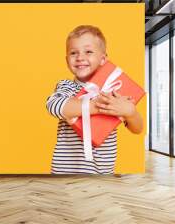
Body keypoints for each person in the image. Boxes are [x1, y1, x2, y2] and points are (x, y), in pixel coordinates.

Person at [46, 25, 143, 174]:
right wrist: (98, 106)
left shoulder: (114, 91)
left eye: (88, 52)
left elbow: (137, 129)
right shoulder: (67, 86)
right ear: (67, 60)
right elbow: (54, 106)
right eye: (73, 53)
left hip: (103, 174)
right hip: (65, 173)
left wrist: (131, 112)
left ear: (103, 59)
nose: (80, 57)